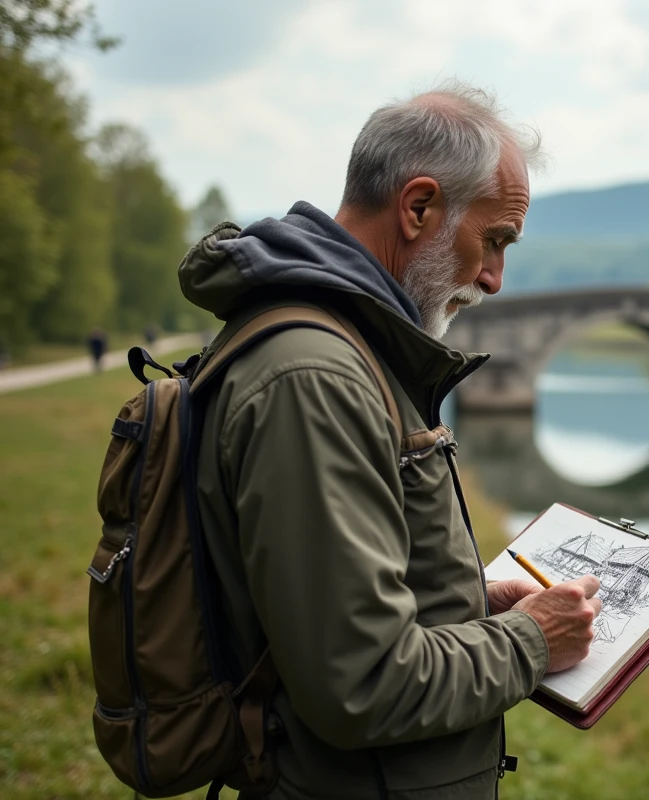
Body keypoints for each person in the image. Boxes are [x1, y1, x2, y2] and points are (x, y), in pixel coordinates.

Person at [182, 82, 601, 799]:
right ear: (418, 207)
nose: (496, 280)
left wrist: (468, 601)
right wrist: (534, 639)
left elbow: (326, 602)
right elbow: (361, 682)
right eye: (493, 241)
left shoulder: (340, 349)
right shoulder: (315, 377)